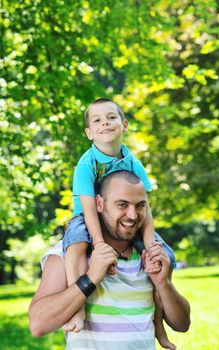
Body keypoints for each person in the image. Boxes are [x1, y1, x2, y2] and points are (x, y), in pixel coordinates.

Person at [29, 171, 191, 350]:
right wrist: (90, 278)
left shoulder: (150, 254)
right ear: (99, 203)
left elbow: (182, 324)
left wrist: (163, 284)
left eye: (140, 206)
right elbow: (38, 324)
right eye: (122, 204)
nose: (132, 215)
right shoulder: (70, 253)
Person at [62, 98, 175, 348]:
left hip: (123, 219)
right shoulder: (85, 164)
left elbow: (145, 206)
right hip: (87, 217)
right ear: (89, 133)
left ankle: (158, 324)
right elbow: (90, 208)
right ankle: (77, 307)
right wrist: (100, 244)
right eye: (97, 120)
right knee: (76, 245)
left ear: (124, 125)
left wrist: (150, 244)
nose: (105, 123)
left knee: (164, 256)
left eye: (111, 118)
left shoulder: (132, 162)